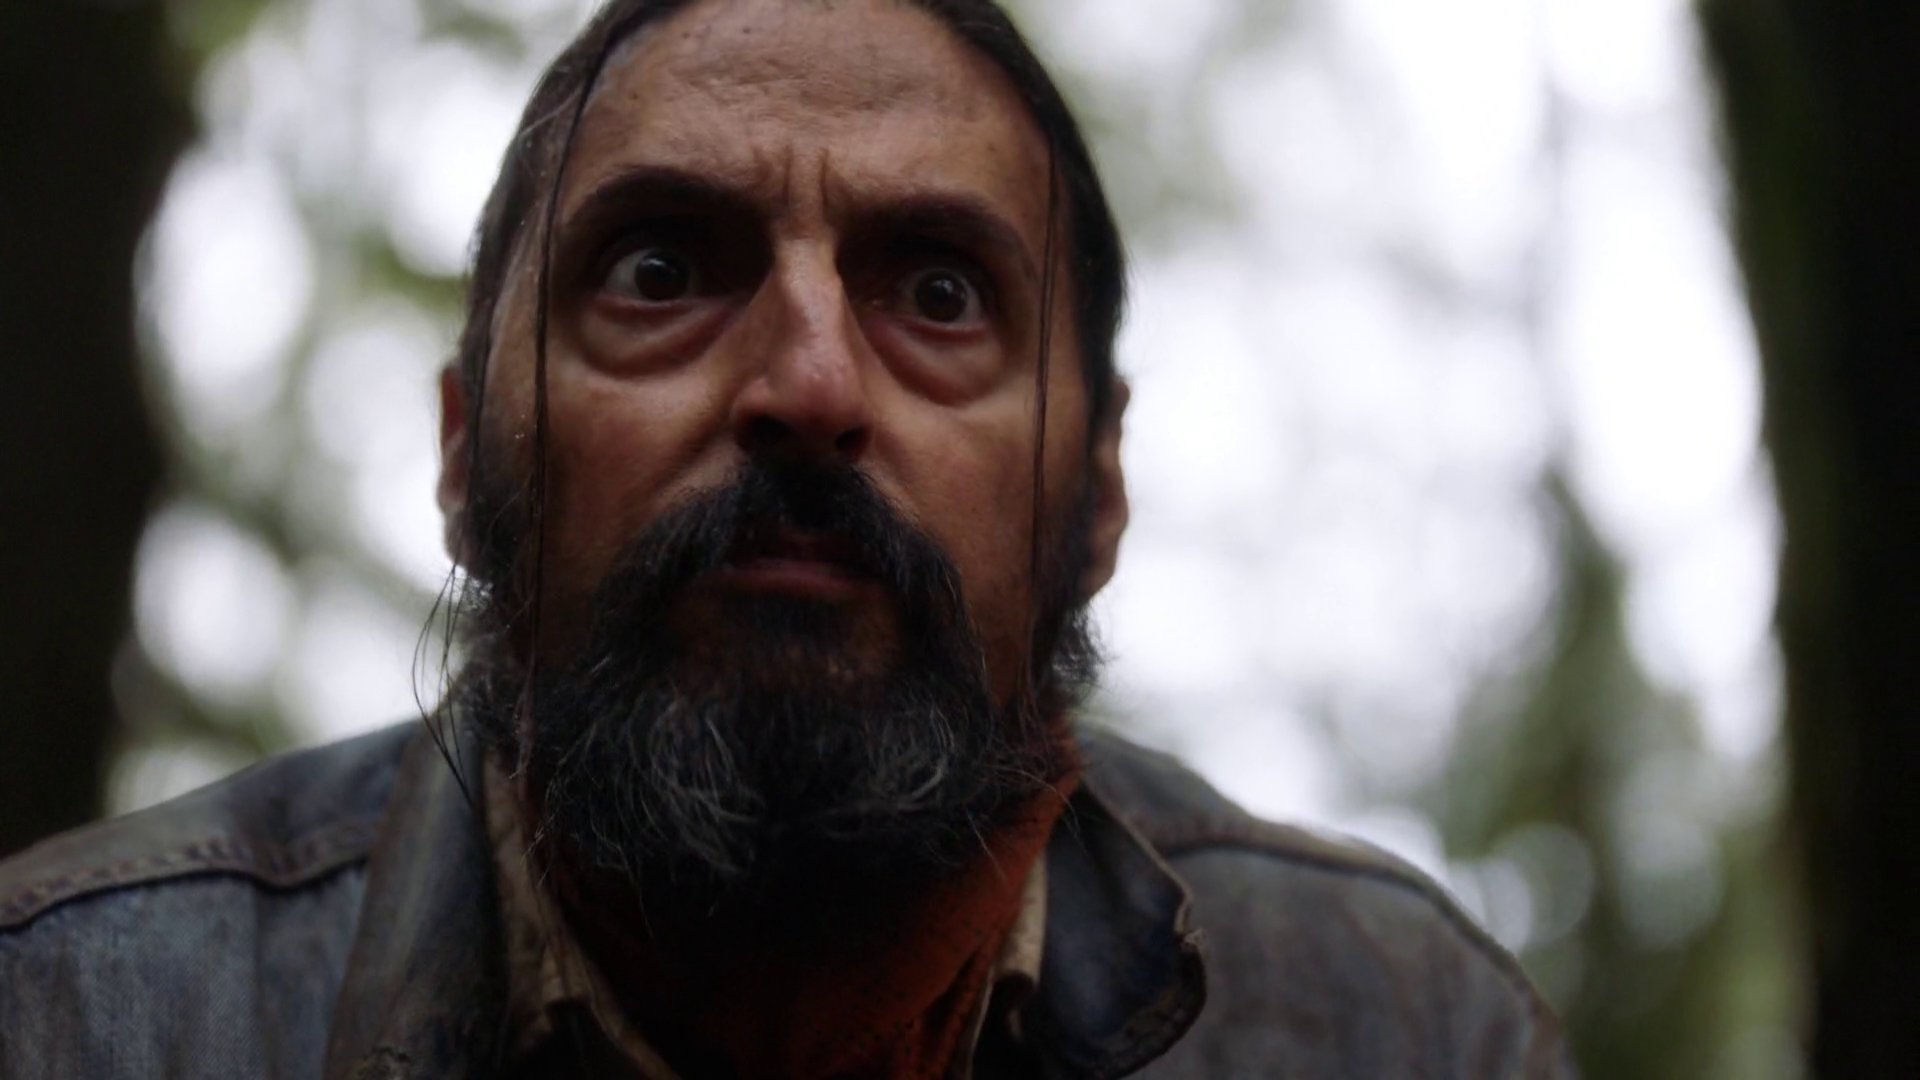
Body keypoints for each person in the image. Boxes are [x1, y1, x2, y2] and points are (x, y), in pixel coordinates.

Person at [0, 1, 1571, 1076]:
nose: (809, 387)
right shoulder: (66, 1013)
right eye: (662, 272)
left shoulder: (1409, 1027)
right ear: (469, 454)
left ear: (1096, 491)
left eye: (940, 294)